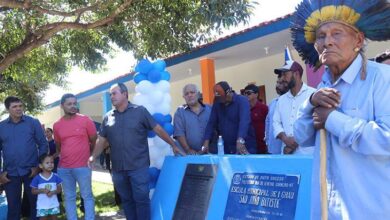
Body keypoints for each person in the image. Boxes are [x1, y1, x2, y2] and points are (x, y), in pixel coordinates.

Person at [291, 0, 390, 219]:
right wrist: (310, 103)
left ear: (358, 39)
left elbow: (387, 139)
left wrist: (333, 120)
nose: (327, 42)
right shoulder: (321, 88)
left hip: (369, 210)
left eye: (337, 33)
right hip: (327, 211)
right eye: (321, 36)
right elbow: (300, 135)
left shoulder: (381, 79)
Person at [89, 83, 184, 220]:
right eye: (110, 94)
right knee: (126, 201)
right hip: (118, 169)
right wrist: (93, 156)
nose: (111, 97)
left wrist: (173, 144)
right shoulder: (108, 117)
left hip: (138, 167)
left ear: (125, 93)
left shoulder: (140, 111)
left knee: (141, 201)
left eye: (114, 93)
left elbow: (157, 129)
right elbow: (101, 140)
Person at [0, 96, 48, 219]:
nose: (18, 109)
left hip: (31, 172)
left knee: (35, 205)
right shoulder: (2, 127)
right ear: (7, 109)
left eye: (20, 106)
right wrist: (1, 173)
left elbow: (43, 144)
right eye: (14, 106)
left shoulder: (33, 122)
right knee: (13, 208)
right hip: (10, 175)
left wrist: (38, 166)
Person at [53, 93, 97, 220]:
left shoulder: (86, 120)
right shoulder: (57, 125)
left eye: (74, 103)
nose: (73, 106)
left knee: (87, 196)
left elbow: (94, 140)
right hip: (64, 169)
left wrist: (90, 156)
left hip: (83, 166)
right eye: (69, 104)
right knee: (69, 197)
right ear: (62, 106)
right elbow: (59, 145)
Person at [272, 60, 316, 154]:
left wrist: (296, 141)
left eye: (285, 74)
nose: (282, 78)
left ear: (296, 74)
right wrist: (285, 139)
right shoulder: (281, 100)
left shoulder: (313, 94)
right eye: (281, 75)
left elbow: (315, 122)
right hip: (287, 153)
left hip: (308, 154)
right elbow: (276, 122)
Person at [203, 81, 256, 154]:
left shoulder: (242, 100)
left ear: (229, 92)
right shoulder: (217, 101)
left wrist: (240, 139)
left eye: (223, 99)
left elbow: (244, 121)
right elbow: (211, 122)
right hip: (227, 148)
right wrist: (206, 142)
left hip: (245, 145)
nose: (222, 102)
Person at [173, 84, 213, 154]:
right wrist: (188, 149)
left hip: (209, 154)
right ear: (184, 97)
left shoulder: (210, 109)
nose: (189, 95)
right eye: (186, 94)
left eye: (192, 92)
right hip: (189, 156)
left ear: (198, 94)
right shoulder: (180, 112)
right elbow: (179, 133)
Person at [31, 154, 62, 220]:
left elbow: (59, 190)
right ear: (41, 165)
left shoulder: (56, 176)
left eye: (52, 162)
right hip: (42, 206)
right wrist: (42, 190)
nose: (50, 164)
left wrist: (53, 192)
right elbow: (33, 191)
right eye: (47, 163)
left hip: (54, 204)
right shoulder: (37, 178)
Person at [265, 77, 289, 154]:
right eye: (277, 83)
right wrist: (267, 140)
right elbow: (268, 122)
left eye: (280, 83)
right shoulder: (273, 102)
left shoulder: (291, 102)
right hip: (272, 146)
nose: (277, 85)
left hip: (286, 146)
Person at [243, 84, 269, 154]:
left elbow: (269, 125)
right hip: (248, 146)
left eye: (248, 93)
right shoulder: (243, 109)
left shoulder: (264, 108)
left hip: (262, 146)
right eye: (244, 93)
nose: (246, 95)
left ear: (256, 94)